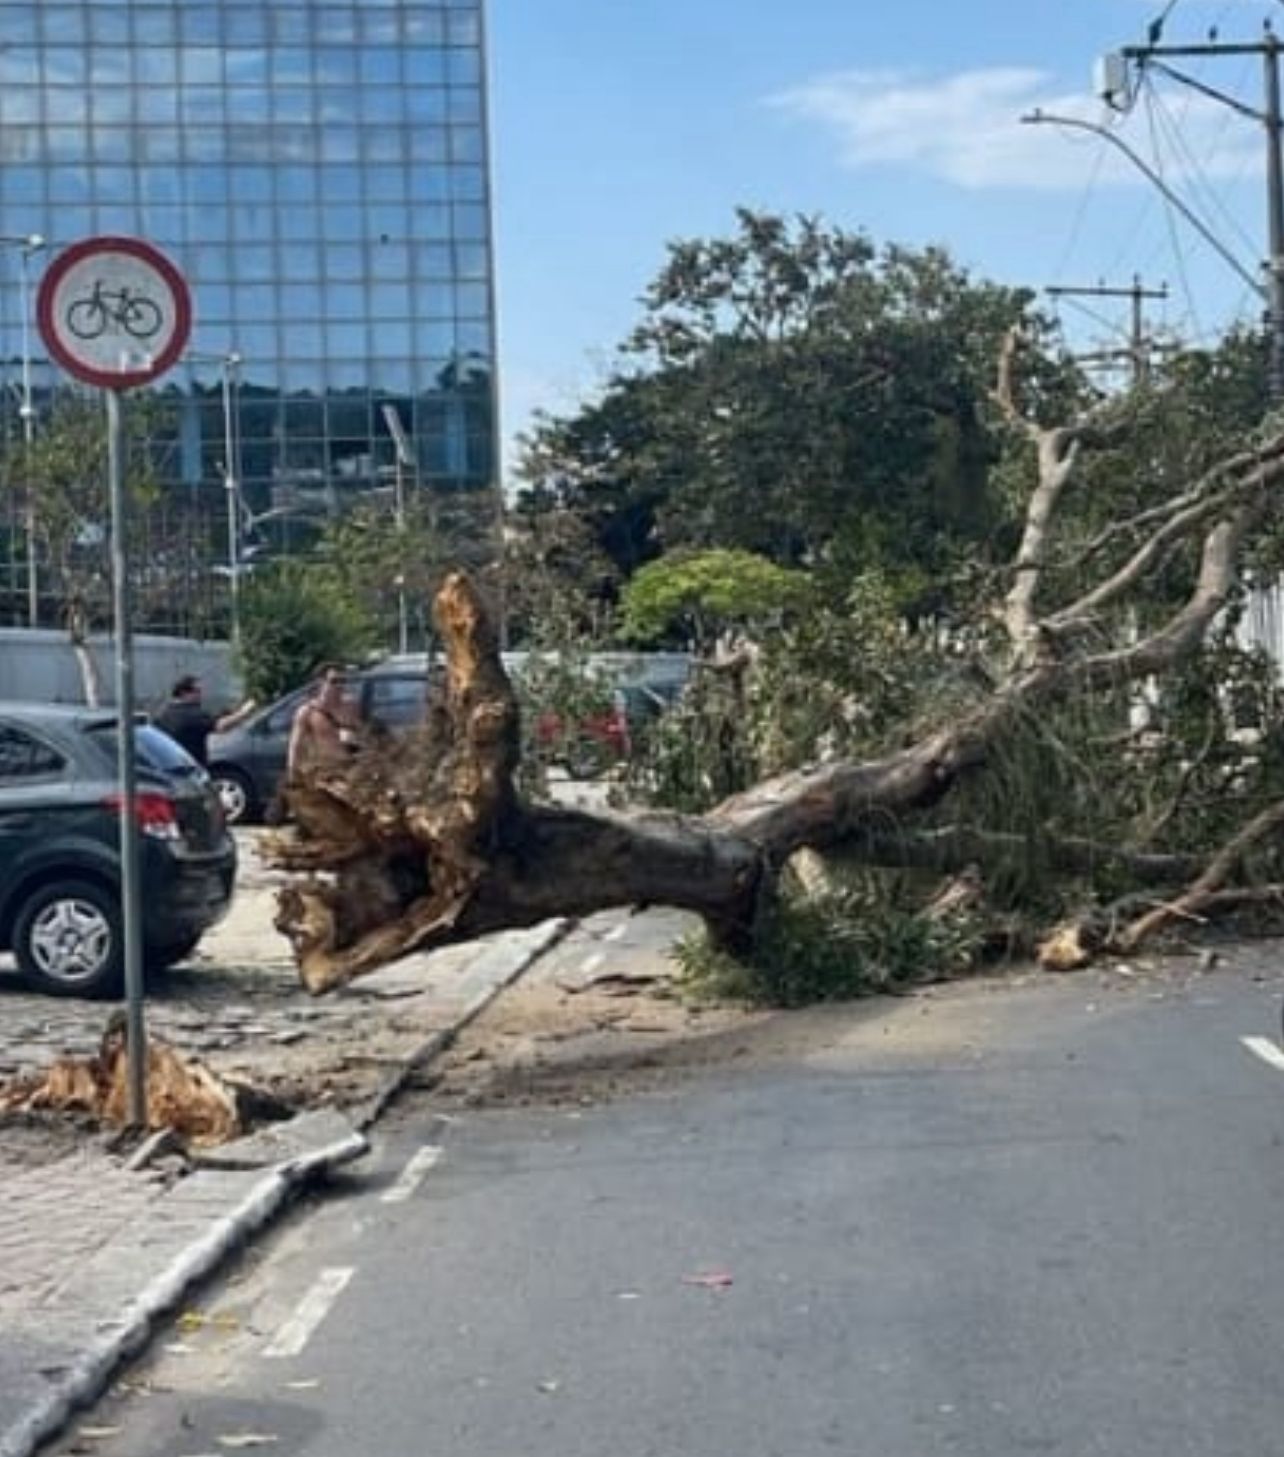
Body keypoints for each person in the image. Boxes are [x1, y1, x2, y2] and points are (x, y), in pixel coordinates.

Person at [154, 675, 257, 768]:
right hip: (190, 769)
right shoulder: (192, 714)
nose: (200, 695)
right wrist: (244, 712)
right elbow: (221, 726)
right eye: (197, 691)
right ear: (183, 693)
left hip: (167, 768)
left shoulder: (162, 713)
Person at [286, 664, 362, 781]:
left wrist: (354, 738)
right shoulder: (307, 712)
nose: (339, 685)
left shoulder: (351, 706)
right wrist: (292, 774)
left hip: (350, 771)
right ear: (321, 682)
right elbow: (295, 746)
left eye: (343, 681)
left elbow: (363, 736)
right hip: (324, 774)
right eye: (334, 681)